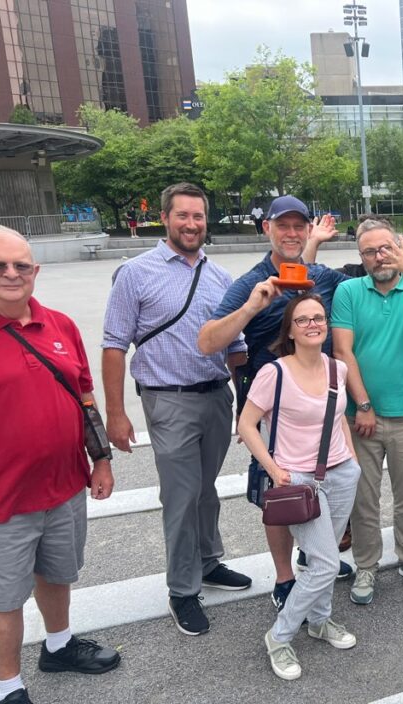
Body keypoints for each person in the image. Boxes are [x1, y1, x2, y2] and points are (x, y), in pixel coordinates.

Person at [0, 225, 120, 704]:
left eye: (20, 265)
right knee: (5, 599)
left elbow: (84, 397)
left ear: (35, 271)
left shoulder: (58, 324)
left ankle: (59, 647)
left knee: (58, 573)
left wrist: (101, 459)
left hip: (64, 486)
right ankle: (9, 691)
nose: (11, 275)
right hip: (0, 500)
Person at [103, 182, 252, 636]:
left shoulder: (220, 277)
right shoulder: (136, 273)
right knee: (182, 494)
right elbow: (114, 346)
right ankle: (182, 589)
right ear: (164, 218)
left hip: (216, 397)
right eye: (183, 216)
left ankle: (209, 561)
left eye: (199, 216)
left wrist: (249, 406)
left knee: (206, 489)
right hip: (168, 400)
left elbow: (237, 349)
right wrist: (115, 412)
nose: (191, 224)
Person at [197, 195, 351, 613]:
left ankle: (316, 556)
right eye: (282, 225)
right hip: (275, 411)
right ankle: (284, 579)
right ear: (266, 228)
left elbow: (365, 281)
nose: (291, 233)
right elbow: (208, 340)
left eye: (299, 226)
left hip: (321, 405)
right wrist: (252, 307)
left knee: (326, 484)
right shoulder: (252, 281)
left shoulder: (322, 276)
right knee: (280, 493)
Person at [238, 294, 361, 681]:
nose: (313, 324)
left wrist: (353, 461)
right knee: (326, 563)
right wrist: (274, 469)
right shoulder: (274, 373)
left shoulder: (336, 369)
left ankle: (320, 621)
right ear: (289, 330)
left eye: (319, 318)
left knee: (317, 559)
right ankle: (279, 635)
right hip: (298, 481)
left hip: (340, 473)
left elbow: (338, 417)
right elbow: (246, 425)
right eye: (303, 319)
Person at [330, 217, 403, 606]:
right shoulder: (348, 291)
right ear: (359, 256)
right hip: (361, 417)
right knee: (362, 498)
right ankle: (366, 564)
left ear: (399, 247)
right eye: (369, 252)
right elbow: (342, 351)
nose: (379, 257)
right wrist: (362, 405)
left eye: (385, 248)